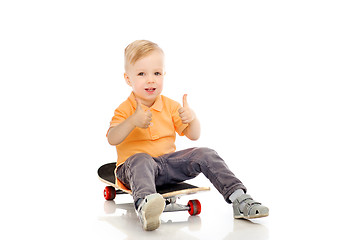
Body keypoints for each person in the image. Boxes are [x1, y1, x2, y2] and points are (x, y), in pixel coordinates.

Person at [106, 40, 269, 231]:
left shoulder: (171, 106)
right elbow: (112, 138)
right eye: (142, 74)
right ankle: (145, 205)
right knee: (141, 159)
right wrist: (132, 121)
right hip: (133, 170)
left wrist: (192, 119)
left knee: (205, 153)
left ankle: (240, 199)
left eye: (157, 73)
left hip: (166, 166)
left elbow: (194, 135)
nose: (151, 80)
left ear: (164, 74)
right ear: (128, 79)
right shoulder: (125, 109)